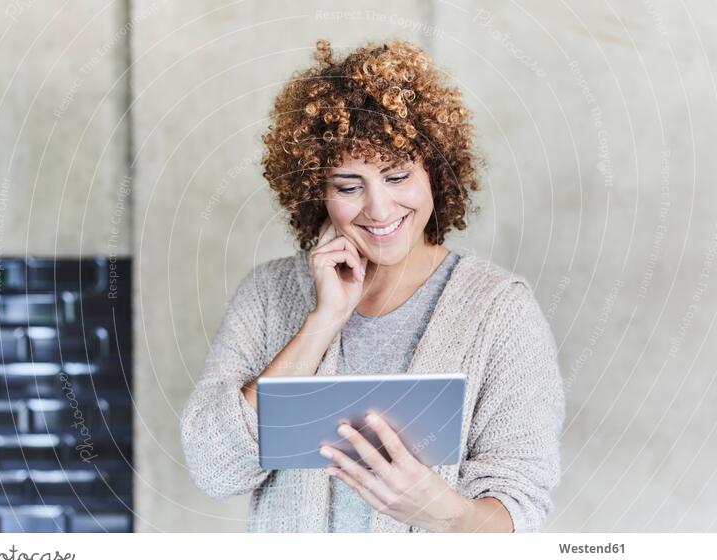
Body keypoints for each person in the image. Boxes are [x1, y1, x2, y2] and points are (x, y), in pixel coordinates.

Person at [180, 38, 565, 533]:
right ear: (317, 194)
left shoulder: (499, 311)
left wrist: (442, 511)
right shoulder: (269, 294)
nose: (380, 210)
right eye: (348, 186)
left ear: (435, 172)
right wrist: (323, 322)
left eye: (397, 176)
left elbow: (521, 512)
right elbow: (214, 468)